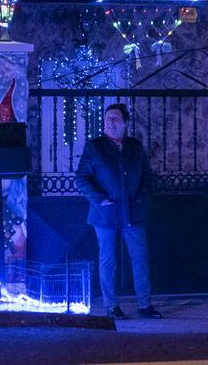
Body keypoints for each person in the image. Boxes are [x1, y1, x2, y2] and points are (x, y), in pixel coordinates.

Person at [75, 103, 161, 319]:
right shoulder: (95, 147)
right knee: (108, 259)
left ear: (125, 122)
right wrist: (99, 199)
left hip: (133, 213)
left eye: (115, 118)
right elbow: (82, 178)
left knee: (140, 258)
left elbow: (147, 177)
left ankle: (144, 305)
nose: (110, 122)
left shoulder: (134, 146)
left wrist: (141, 198)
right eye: (107, 118)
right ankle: (111, 306)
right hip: (105, 215)